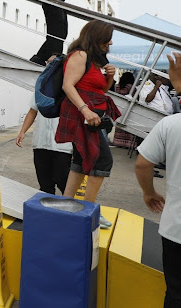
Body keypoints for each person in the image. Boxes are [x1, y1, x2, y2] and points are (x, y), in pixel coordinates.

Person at [56, 20, 121, 228]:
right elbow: (68, 85)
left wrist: (109, 77)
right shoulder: (80, 55)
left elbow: (102, 90)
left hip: (93, 117)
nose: (110, 42)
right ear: (97, 36)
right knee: (102, 160)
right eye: (107, 38)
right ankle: (88, 209)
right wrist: (85, 109)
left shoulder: (95, 60)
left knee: (82, 159)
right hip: (82, 116)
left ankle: (66, 205)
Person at [135, 50, 181, 308]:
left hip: (177, 229)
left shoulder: (172, 124)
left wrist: (149, 193)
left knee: (177, 294)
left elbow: (143, 163)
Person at [16, 98, 72, 194]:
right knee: (45, 184)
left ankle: (68, 206)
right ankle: (47, 207)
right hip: (41, 143)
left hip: (63, 145)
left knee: (64, 182)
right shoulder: (40, 88)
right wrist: (22, 131)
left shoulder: (71, 89)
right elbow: (32, 111)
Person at [112, 72, 140, 148]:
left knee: (119, 125)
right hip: (129, 110)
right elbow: (136, 98)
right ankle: (127, 144)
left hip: (119, 108)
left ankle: (118, 142)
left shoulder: (117, 86)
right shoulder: (132, 88)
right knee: (128, 126)